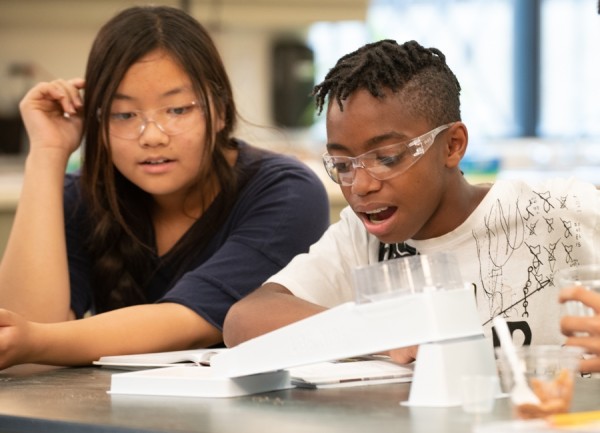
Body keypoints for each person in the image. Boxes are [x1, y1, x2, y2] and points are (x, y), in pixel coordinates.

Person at [223, 39, 600, 364]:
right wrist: (380, 331)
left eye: (387, 157)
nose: (361, 186)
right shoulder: (361, 239)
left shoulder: (561, 211)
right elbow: (245, 319)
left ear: (452, 146)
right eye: (342, 164)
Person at [0, 5, 330, 369]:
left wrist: (32, 339)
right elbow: (20, 350)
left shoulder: (285, 192)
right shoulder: (82, 197)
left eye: (177, 110)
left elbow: (187, 324)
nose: (152, 137)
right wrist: (47, 153)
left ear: (220, 110)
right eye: (124, 115)